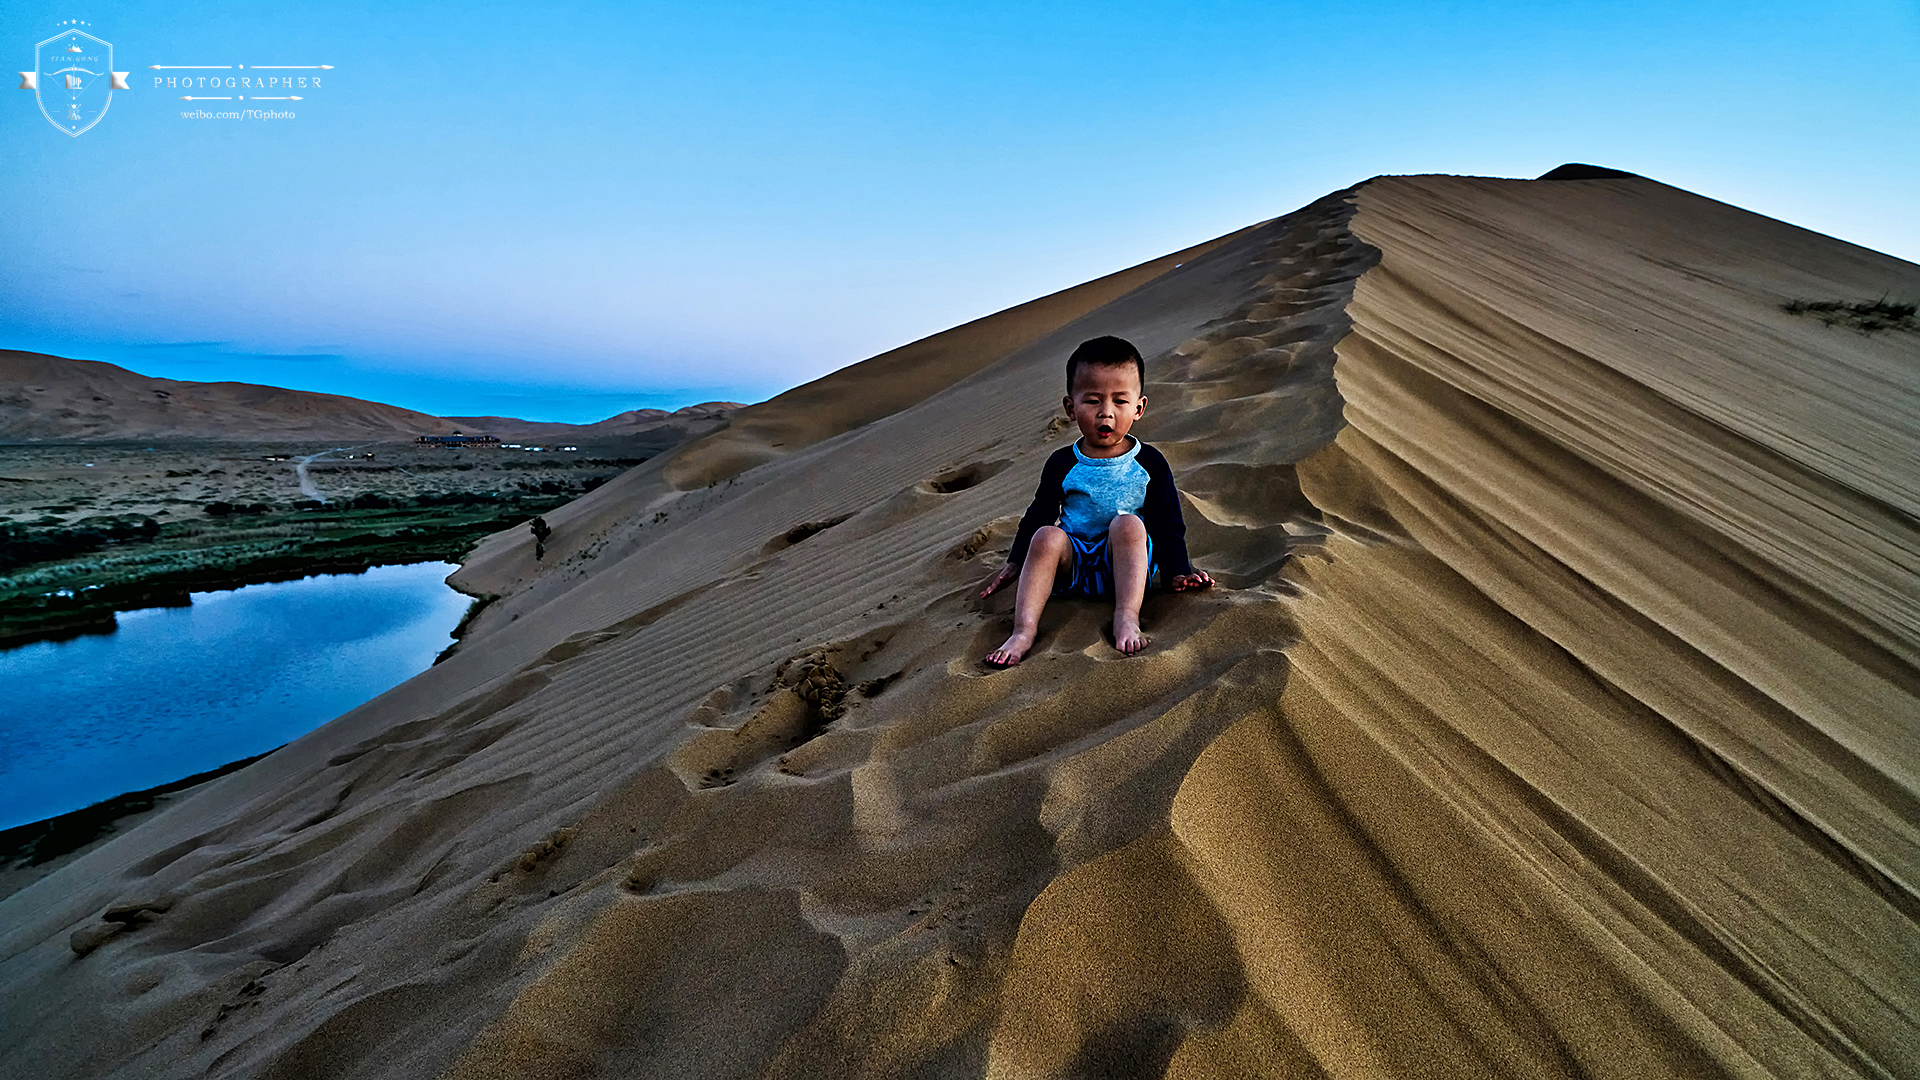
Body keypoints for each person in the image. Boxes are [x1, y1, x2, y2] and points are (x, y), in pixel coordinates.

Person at [980, 335, 1213, 666]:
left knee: (1129, 524)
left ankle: (1127, 617)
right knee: (1047, 535)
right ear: (1070, 408)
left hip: (1124, 569)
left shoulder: (1150, 462)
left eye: (1120, 401)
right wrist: (1016, 561)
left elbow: (1167, 522)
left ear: (1139, 407)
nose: (1106, 414)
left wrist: (1178, 570)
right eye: (1092, 401)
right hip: (1073, 570)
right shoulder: (1063, 462)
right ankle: (1023, 631)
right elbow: (1039, 513)